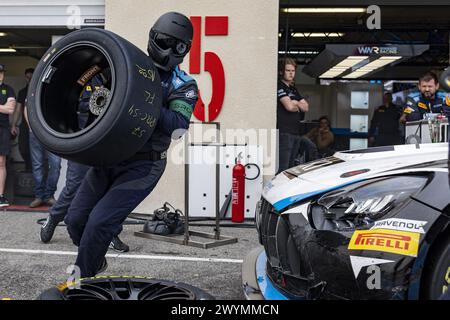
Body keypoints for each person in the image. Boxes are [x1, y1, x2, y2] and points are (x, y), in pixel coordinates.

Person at [64, 12, 198, 277]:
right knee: (75, 219)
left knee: (99, 223)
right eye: (165, 41)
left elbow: (179, 127)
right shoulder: (125, 65)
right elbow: (93, 103)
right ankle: (95, 259)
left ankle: (82, 278)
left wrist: (142, 100)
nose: (170, 49)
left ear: (186, 50)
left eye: (178, 46)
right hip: (109, 156)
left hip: (144, 164)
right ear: (153, 38)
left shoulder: (184, 84)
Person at [39, 67, 129, 253]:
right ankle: (53, 218)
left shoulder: (119, 79)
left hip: (106, 141)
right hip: (82, 140)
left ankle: (111, 233)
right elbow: (72, 105)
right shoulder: (83, 79)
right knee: (75, 185)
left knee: (109, 187)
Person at [277, 58, 316, 173]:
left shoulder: (293, 89)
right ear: (281, 72)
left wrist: (295, 103)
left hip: (295, 132)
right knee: (283, 169)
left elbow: (306, 107)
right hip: (285, 133)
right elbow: (289, 106)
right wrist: (296, 104)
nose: (290, 73)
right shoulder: (279, 86)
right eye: (287, 70)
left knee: (290, 168)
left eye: (293, 71)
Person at [24, 91, 62, 207]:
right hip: (36, 131)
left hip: (53, 132)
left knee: (55, 164)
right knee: (37, 164)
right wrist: (31, 127)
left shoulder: (57, 89)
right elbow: (26, 108)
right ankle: (39, 196)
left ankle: (49, 195)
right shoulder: (35, 88)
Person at [11, 68, 34, 172]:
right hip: (24, 125)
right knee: (23, 147)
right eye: (27, 77)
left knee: (36, 150)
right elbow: (18, 110)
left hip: (37, 126)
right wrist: (13, 125)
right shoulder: (22, 92)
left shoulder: (39, 91)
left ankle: (33, 169)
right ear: (25, 78)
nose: (29, 79)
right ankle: (28, 167)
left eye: (31, 77)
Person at [0, 64, 16, 207]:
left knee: (1, 162)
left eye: (1, 72)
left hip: (3, 129)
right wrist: (2, 107)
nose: (0, 75)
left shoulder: (8, 89)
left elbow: (10, 109)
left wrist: (5, 108)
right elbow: (5, 107)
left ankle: (0, 196)